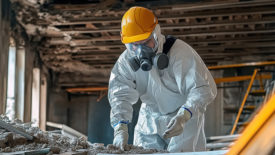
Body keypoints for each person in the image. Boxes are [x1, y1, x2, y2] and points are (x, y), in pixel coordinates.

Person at [108, 6, 217, 152]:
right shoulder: (125, 62)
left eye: (146, 42)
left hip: (183, 117)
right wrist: (120, 128)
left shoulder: (179, 53)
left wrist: (184, 116)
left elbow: (202, 88)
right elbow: (119, 96)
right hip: (149, 119)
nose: (140, 51)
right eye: (134, 45)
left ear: (156, 33)